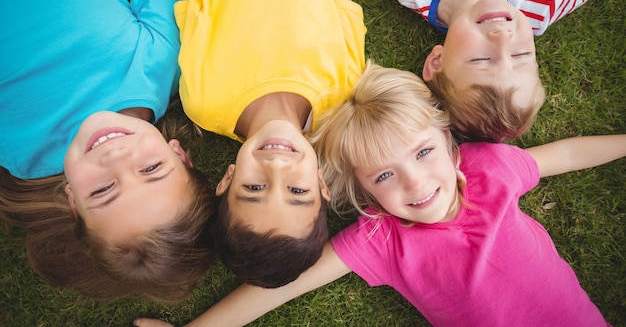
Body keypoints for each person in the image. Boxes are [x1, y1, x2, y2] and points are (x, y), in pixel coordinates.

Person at [134, 62, 624, 327]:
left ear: (451, 144)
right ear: (365, 192)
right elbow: (281, 287)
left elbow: (563, 155)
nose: (415, 183)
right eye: (384, 177)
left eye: (423, 152)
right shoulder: (383, 240)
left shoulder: (491, 170)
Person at [0, 0, 216, 302]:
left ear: (72, 201)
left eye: (102, 191)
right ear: (179, 154)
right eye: (151, 169)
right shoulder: (161, 65)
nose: (116, 157)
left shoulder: (18, 151)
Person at [175, 0, 365, 288]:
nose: (276, 167)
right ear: (322, 186)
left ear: (227, 179)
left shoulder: (202, 99)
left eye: (254, 189)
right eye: (297, 191)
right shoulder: (342, 91)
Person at [363, 0, 616, 143]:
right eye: (521, 54)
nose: (503, 38)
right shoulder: (544, 2)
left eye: (482, 59)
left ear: (437, 62)